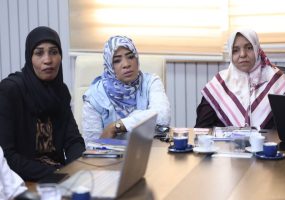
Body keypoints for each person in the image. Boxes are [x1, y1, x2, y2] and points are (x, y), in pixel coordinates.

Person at [0, 26, 85, 181]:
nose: (48, 60)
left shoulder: (61, 91)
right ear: (29, 57)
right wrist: (58, 175)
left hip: (60, 176)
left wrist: (78, 169)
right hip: (21, 180)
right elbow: (7, 156)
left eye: (54, 52)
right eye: (39, 53)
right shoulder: (10, 91)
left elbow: (73, 141)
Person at [195, 29, 285, 129]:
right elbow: (201, 129)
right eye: (235, 50)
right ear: (230, 53)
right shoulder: (218, 85)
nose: (243, 54)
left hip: (269, 144)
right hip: (227, 145)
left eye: (249, 47)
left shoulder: (277, 81)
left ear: (257, 49)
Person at [82, 36, 171, 141]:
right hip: (110, 156)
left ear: (137, 59)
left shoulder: (151, 82)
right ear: (109, 66)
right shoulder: (94, 97)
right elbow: (91, 145)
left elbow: (162, 117)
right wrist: (141, 118)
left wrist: (115, 127)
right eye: (117, 60)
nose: (126, 64)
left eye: (130, 57)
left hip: (149, 153)